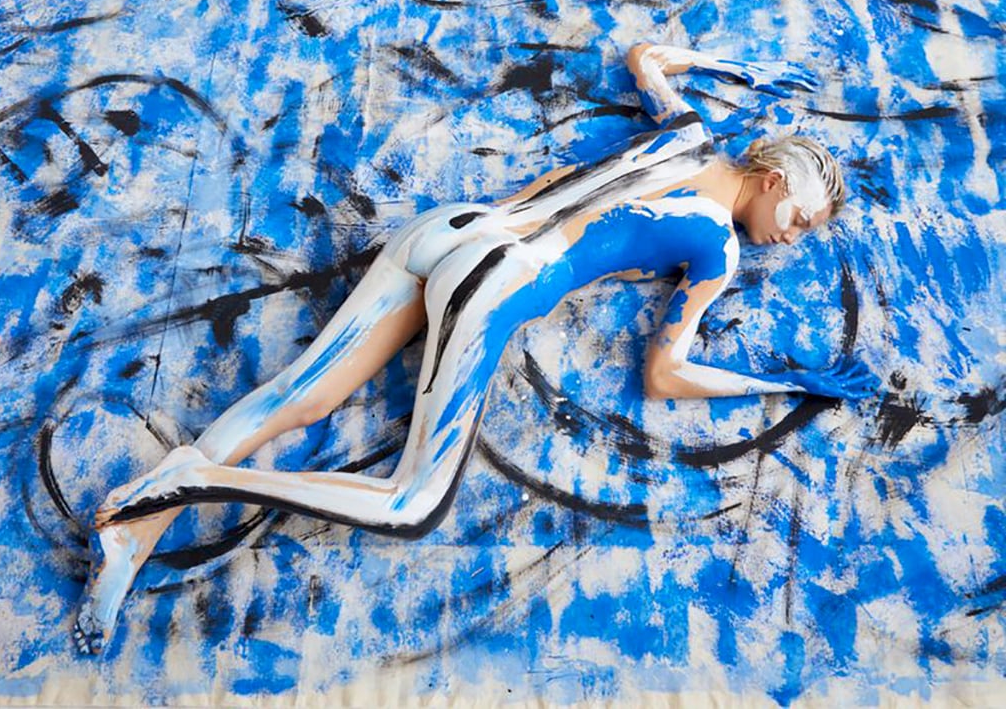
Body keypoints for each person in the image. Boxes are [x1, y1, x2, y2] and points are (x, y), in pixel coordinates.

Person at [73, 42, 875, 654]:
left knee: (301, 398)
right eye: (800, 219)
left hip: (452, 229)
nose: (790, 237)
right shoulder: (717, 250)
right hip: (496, 280)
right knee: (412, 505)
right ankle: (197, 478)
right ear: (772, 180)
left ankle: (131, 540)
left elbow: (644, 57)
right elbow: (664, 375)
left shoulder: (686, 132)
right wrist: (785, 384)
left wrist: (731, 64)